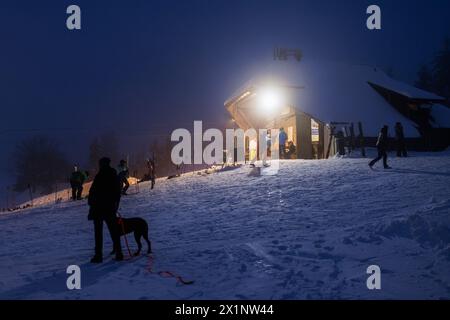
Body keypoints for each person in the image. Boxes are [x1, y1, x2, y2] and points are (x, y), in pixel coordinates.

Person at [88, 157, 123, 263]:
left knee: (98, 233)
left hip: (98, 208)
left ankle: (98, 256)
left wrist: (91, 204)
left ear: (102, 164)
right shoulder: (113, 175)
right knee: (114, 231)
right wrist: (116, 205)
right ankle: (119, 253)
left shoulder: (99, 176)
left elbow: (93, 191)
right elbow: (118, 192)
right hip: (109, 208)